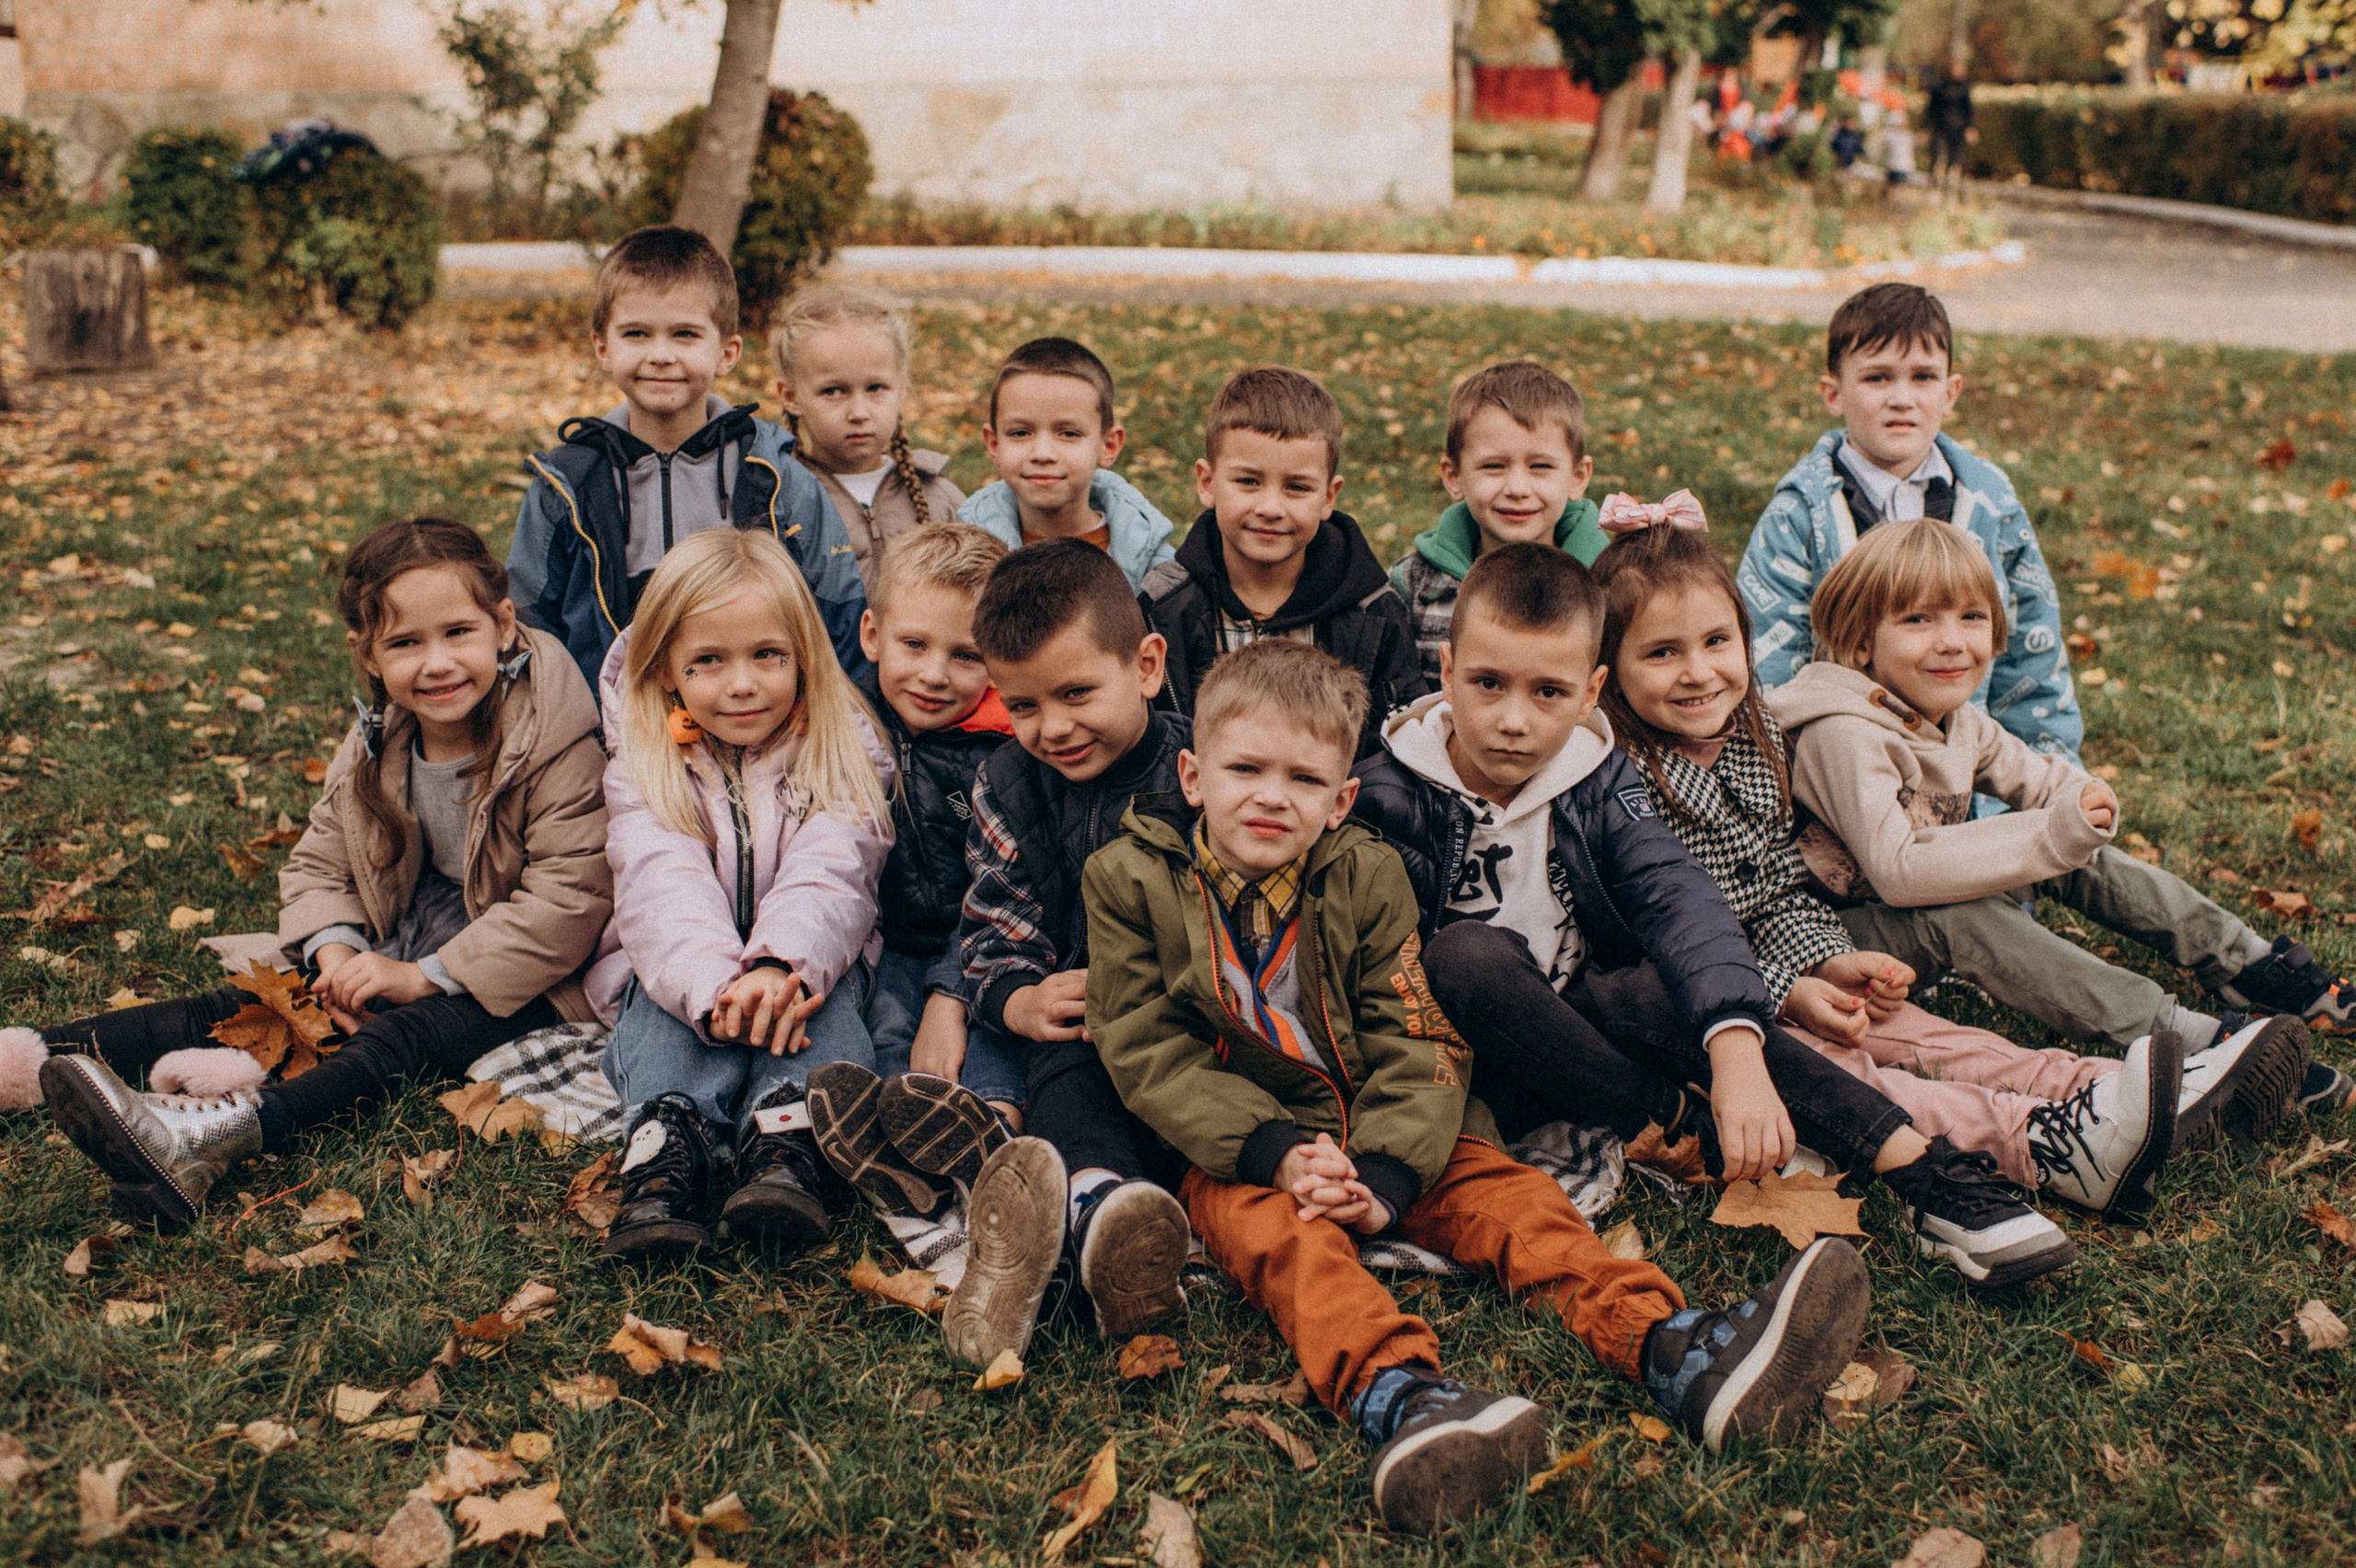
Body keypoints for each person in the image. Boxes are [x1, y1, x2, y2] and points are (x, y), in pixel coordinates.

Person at [1084, 639, 1870, 1533]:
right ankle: (1403, 1399)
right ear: (1192, 775)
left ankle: (1672, 1348)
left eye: (1303, 779)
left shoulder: (1365, 876)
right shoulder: (1130, 881)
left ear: (1343, 799)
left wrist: (1384, 1173)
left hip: (1390, 1124)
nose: (1270, 795)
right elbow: (1144, 1047)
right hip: (1241, 1147)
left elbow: (1418, 1038)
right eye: (1244, 769)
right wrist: (1275, 1153)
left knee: (1516, 1202)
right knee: (1286, 1246)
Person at [1353, 542, 2081, 1288]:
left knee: (1657, 986)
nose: (1514, 720)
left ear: (1589, 691)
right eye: (1486, 684)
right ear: (1444, 672)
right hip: (1464, 1062)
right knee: (1466, 953)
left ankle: (1932, 1179)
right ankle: (1685, 1125)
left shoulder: (1595, 775)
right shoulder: (1383, 791)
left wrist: (1735, 1052)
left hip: (1593, 1029)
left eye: (1548, 693)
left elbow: (1678, 894)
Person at [1588, 510, 2284, 1218]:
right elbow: (1669, 938)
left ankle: (2113, 1086)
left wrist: (1822, 963)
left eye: (1717, 641)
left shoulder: (1751, 733)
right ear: (1606, 675)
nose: (1699, 672)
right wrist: (1789, 988)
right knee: (1856, 1068)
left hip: (1794, 953)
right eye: (1663, 653)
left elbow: (1770, 891)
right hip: (1694, 1011)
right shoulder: (1619, 782)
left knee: (1924, 1034)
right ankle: (2043, 1140)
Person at [15, 519, 612, 1229]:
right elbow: (321, 858)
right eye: (404, 643)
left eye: (458, 633)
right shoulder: (378, 740)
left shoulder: (558, 740)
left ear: (504, 625)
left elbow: (568, 901)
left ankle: (215, 1136)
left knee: (400, 1040)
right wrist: (338, 953)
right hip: (416, 932)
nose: (437, 663)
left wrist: (424, 977)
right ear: (367, 653)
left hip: (530, 973)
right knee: (249, 1003)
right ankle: (27, 1061)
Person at [1767, 517, 2346, 1120]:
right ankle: (2188, 1039)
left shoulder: (1953, 719)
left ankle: (2244, 962)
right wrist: (2047, 835)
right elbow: (1900, 873)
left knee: (2072, 853)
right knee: (1969, 911)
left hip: (1895, 911)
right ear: (1862, 642)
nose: (1952, 641)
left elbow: (2040, 781)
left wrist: (2082, 800)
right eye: (1918, 619)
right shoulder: (1842, 733)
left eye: (1971, 617)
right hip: (1828, 946)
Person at [589, 526, 895, 1262]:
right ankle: (667, 1152)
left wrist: (779, 965)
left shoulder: (844, 742)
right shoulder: (645, 757)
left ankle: (787, 1145)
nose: (742, 683)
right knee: (661, 1026)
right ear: (666, 670)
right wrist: (714, 986)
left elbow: (837, 866)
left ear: (803, 654)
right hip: (682, 966)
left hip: (808, 962)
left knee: (826, 1015)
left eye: (767, 655)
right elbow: (660, 880)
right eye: (708, 661)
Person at [929, 539, 1195, 1367]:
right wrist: (1019, 1002)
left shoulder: (1200, 770)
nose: (1054, 728)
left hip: (1198, 1027)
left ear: (1147, 665)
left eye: (1078, 692)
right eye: (1025, 706)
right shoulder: (1008, 782)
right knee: (1065, 1079)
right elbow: (993, 922)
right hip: (1084, 1029)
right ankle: (1099, 1214)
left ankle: (1109, 1213)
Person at [1738, 283, 2080, 784]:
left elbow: (2033, 653)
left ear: (1950, 391)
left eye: (1923, 377)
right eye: (1877, 378)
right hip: (1843, 783)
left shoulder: (1990, 506)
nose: (1902, 399)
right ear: (1833, 394)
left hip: (1974, 787)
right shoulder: (1799, 516)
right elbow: (1768, 667)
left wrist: (2054, 783)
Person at [506, 225, 867, 693]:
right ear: (602, 347)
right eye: (636, 333)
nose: (660, 355)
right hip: (604, 738)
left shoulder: (772, 476)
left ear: (727, 352)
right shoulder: (566, 488)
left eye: (684, 334)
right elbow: (531, 630)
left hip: (755, 728)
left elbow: (838, 616)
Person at [812, 525, 1028, 1212]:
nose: (934, 675)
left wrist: (955, 991)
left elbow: (1008, 892)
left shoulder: (1007, 754)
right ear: (872, 634)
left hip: (985, 948)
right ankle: (895, 1153)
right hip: (885, 946)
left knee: (986, 1041)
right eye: (915, 646)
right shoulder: (843, 728)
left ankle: (995, 1141)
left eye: (967, 655)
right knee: (884, 1030)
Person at [1140, 366, 1425, 760]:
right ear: (1207, 483)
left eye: (1296, 487)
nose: (1271, 508)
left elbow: (1399, 749)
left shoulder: (1373, 615)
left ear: (1329, 495)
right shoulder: (1163, 607)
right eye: (1248, 482)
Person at [1391, 359, 1608, 685]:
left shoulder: (1609, 583)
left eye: (1541, 467)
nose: (1517, 489)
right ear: (1454, 477)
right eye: (1493, 466)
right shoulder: (1414, 584)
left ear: (1578, 477)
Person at [771, 281, 966, 593]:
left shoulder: (941, 501)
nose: (858, 412)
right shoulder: (778, 506)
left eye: (875, 388)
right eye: (833, 391)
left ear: (901, 388)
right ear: (791, 396)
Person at [956, 337, 1177, 592]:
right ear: (994, 444)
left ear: (1108, 446)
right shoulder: (962, 563)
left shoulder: (1158, 572)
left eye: (1068, 434)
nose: (1042, 453)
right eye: (1020, 433)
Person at [1926, 63, 1976, 191]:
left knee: (1955, 161)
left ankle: (1952, 191)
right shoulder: (1938, 88)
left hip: (1958, 129)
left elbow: (1969, 110)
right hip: (1941, 128)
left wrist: (1971, 128)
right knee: (1940, 158)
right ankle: (1936, 189)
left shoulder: (1964, 88)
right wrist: (1925, 127)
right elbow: (1931, 109)